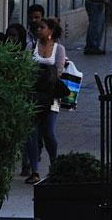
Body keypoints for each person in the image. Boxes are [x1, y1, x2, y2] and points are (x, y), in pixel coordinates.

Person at [24, 17, 68, 184]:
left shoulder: (59, 49)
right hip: (33, 95)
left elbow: (58, 71)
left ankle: (54, 163)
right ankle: (35, 170)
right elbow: (25, 67)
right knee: (32, 133)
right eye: (37, 28)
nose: (38, 30)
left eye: (42, 27)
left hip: (51, 96)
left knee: (49, 132)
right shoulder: (31, 47)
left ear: (50, 30)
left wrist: (40, 74)